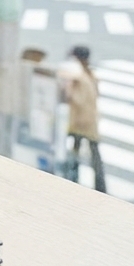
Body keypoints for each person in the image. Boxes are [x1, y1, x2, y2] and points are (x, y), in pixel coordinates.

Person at [57, 45, 105, 193]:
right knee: (91, 153)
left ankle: (75, 181)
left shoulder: (77, 77)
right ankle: (98, 185)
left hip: (79, 122)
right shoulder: (91, 74)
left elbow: (70, 96)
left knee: (76, 154)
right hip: (90, 121)